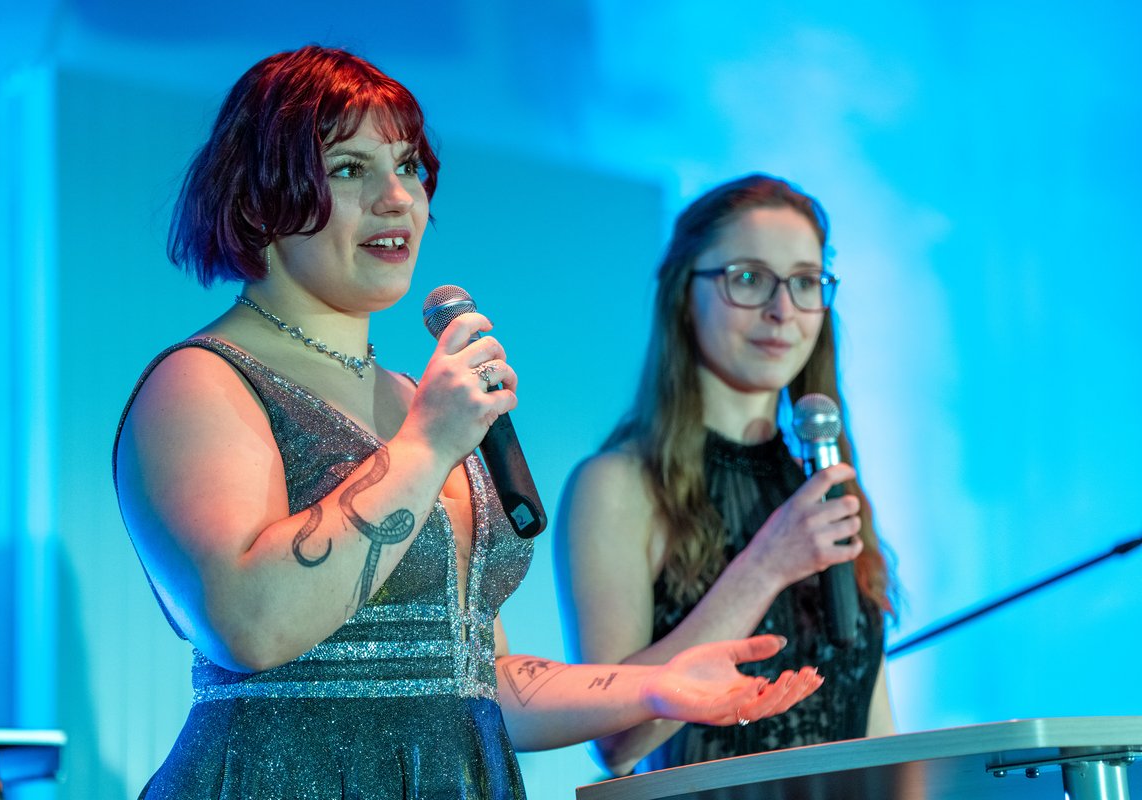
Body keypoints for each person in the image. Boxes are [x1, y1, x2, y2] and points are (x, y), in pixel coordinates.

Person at [111, 48, 824, 799]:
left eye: (410, 168)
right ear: (260, 196)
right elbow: (250, 624)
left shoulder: (419, 398)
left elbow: (471, 678)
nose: (398, 199)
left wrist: (654, 688)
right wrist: (429, 442)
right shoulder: (201, 382)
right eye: (351, 169)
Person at [554, 174, 898, 777]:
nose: (782, 309)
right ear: (687, 294)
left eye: (805, 282)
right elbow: (618, 742)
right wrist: (765, 567)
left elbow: (873, 726)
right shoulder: (618, 486)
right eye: (748, 278)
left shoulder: (824, 481)